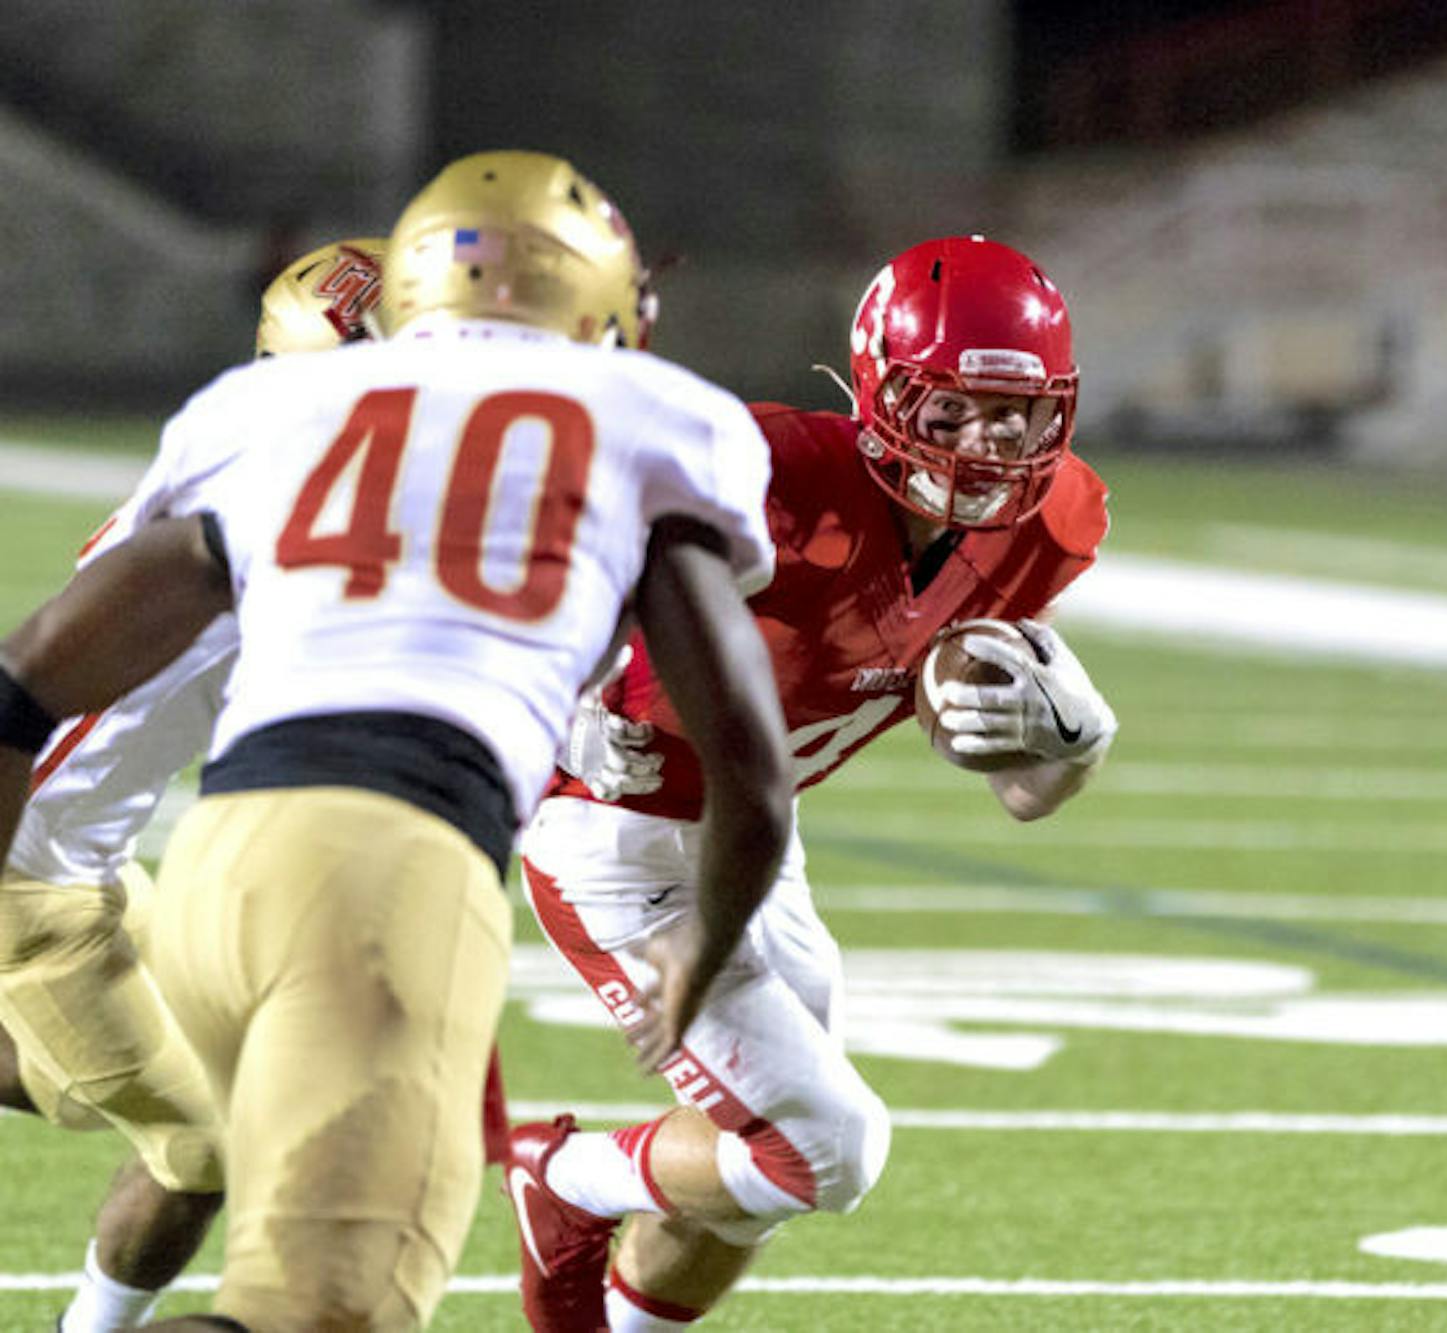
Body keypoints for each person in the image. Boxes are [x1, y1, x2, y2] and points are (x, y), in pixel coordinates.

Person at [0, 149, 795, 1331]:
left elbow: (25, 678)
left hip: (218, 862)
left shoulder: (263, 412)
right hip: (383, 863)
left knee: (253, 1218)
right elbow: (751, 769)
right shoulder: (655, 418)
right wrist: (699, 951)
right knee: (323, 1312)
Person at [504, 235, 1116, 1332]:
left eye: (1015, 414)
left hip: (757, 846)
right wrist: (562, 694)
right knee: (823, 1145)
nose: (989, 442)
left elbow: (1022, 792)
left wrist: (1078, 745)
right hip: (614, 837)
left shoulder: (1049, 525)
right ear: (882, 391)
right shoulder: (765, 471)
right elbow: (533, 544)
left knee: (751, 1178)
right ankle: (562, 1178)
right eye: (952, 409)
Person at [0, 236, 383, 1332]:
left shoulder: (242, 452)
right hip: (33, 861)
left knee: (217, 1071)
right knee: (205, 1145)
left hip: (90, 846)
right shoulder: (280, 519)